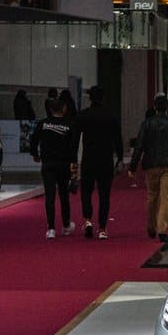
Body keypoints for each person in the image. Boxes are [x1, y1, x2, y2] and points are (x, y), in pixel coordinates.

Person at [75, 85, 124, 240]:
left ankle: (88, 220)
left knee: (86, 192)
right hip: (105, 160)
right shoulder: (110, 116)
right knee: (104, 195)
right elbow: (118, 139)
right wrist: (120, 158)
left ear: (90, 98)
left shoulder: (83, 115)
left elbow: (75, 139)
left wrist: (72, 159)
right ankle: (102, 228)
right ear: (103, 98)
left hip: (89, 159)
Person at [30, 95, 78, 239]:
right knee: (64, 195)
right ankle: (66, 225)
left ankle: (50, 229)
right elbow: (73, 149)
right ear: (64, 109)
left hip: (48, 164)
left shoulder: (42, 124)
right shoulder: (69, 125)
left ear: (50, 109)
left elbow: (33, 140)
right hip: (63, 165)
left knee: (49, 196)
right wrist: (74, 171)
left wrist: (35, 154)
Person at [130, 93, 168, 247]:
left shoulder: (147, 124)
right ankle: (162, 229)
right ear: (167, 107)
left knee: (152, 195)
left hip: (151, 165)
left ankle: (150, 225)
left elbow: (139, 145)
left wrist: (132, 166)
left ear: (154, 107)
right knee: (166, 196)